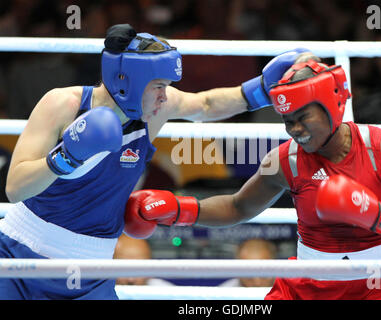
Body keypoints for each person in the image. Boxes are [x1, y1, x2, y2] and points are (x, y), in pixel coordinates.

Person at [0, 23, 307, 300]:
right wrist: (66, 157)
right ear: (128, 82)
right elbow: (15, 188)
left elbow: (205, 104)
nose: (166, 95)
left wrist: (261, 90)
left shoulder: (155, 110)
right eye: (158, 85)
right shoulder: (62, 104)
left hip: (90, 270)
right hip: (19, 253)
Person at [126, 52, 381, 300]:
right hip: (308, 285)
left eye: (303, 118)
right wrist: (180, 209)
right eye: (288, 121)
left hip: (380, 286)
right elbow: (238, 207)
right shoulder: (286, 160)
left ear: (331, 106)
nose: (295, 129)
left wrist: (375, 215)